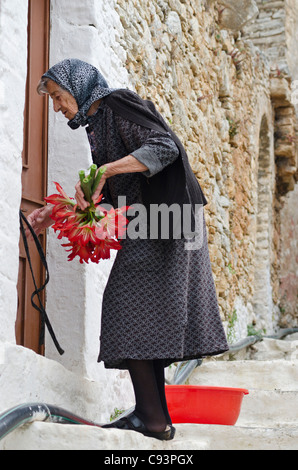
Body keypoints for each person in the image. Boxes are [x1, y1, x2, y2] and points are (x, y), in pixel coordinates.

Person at [27, 59, 229, 441]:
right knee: (141, 314)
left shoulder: (118, 104)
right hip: (154, 221)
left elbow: (164, 147)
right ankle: (155, 418)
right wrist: (58, 213)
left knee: (126, 306)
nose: (56, 108)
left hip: (167, 219)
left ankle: (151, 418)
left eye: (57, 97)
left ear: (78, 86)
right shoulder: (97, 126)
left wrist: (105, 171)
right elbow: (110, 198)